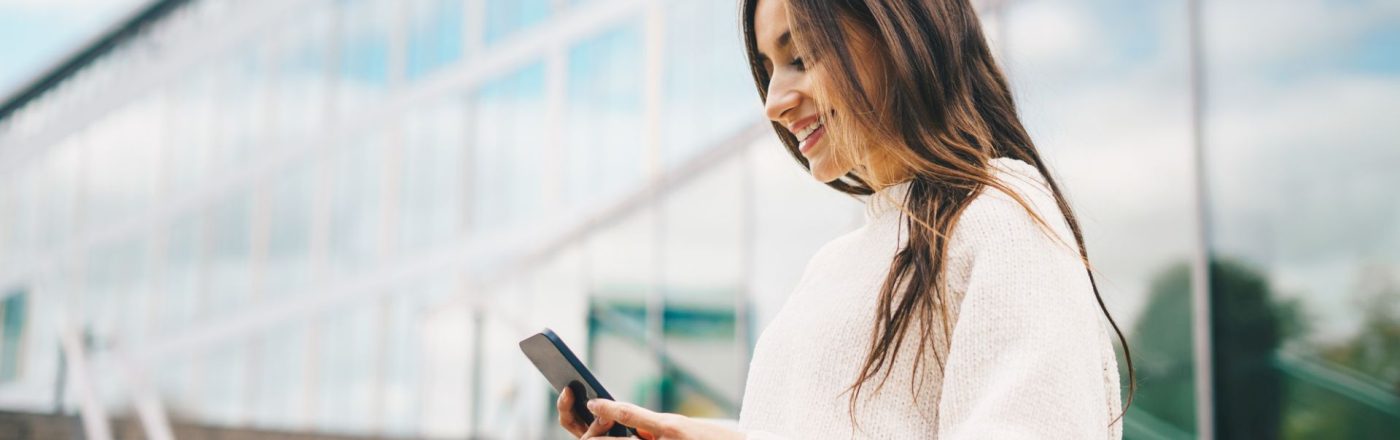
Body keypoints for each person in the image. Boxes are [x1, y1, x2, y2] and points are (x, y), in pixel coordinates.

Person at [557, 0, 1133, 438]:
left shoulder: (999, 217)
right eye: (769, 66)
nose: (774, 101)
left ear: (896, 33)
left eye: (801, 57)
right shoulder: (833, 264)